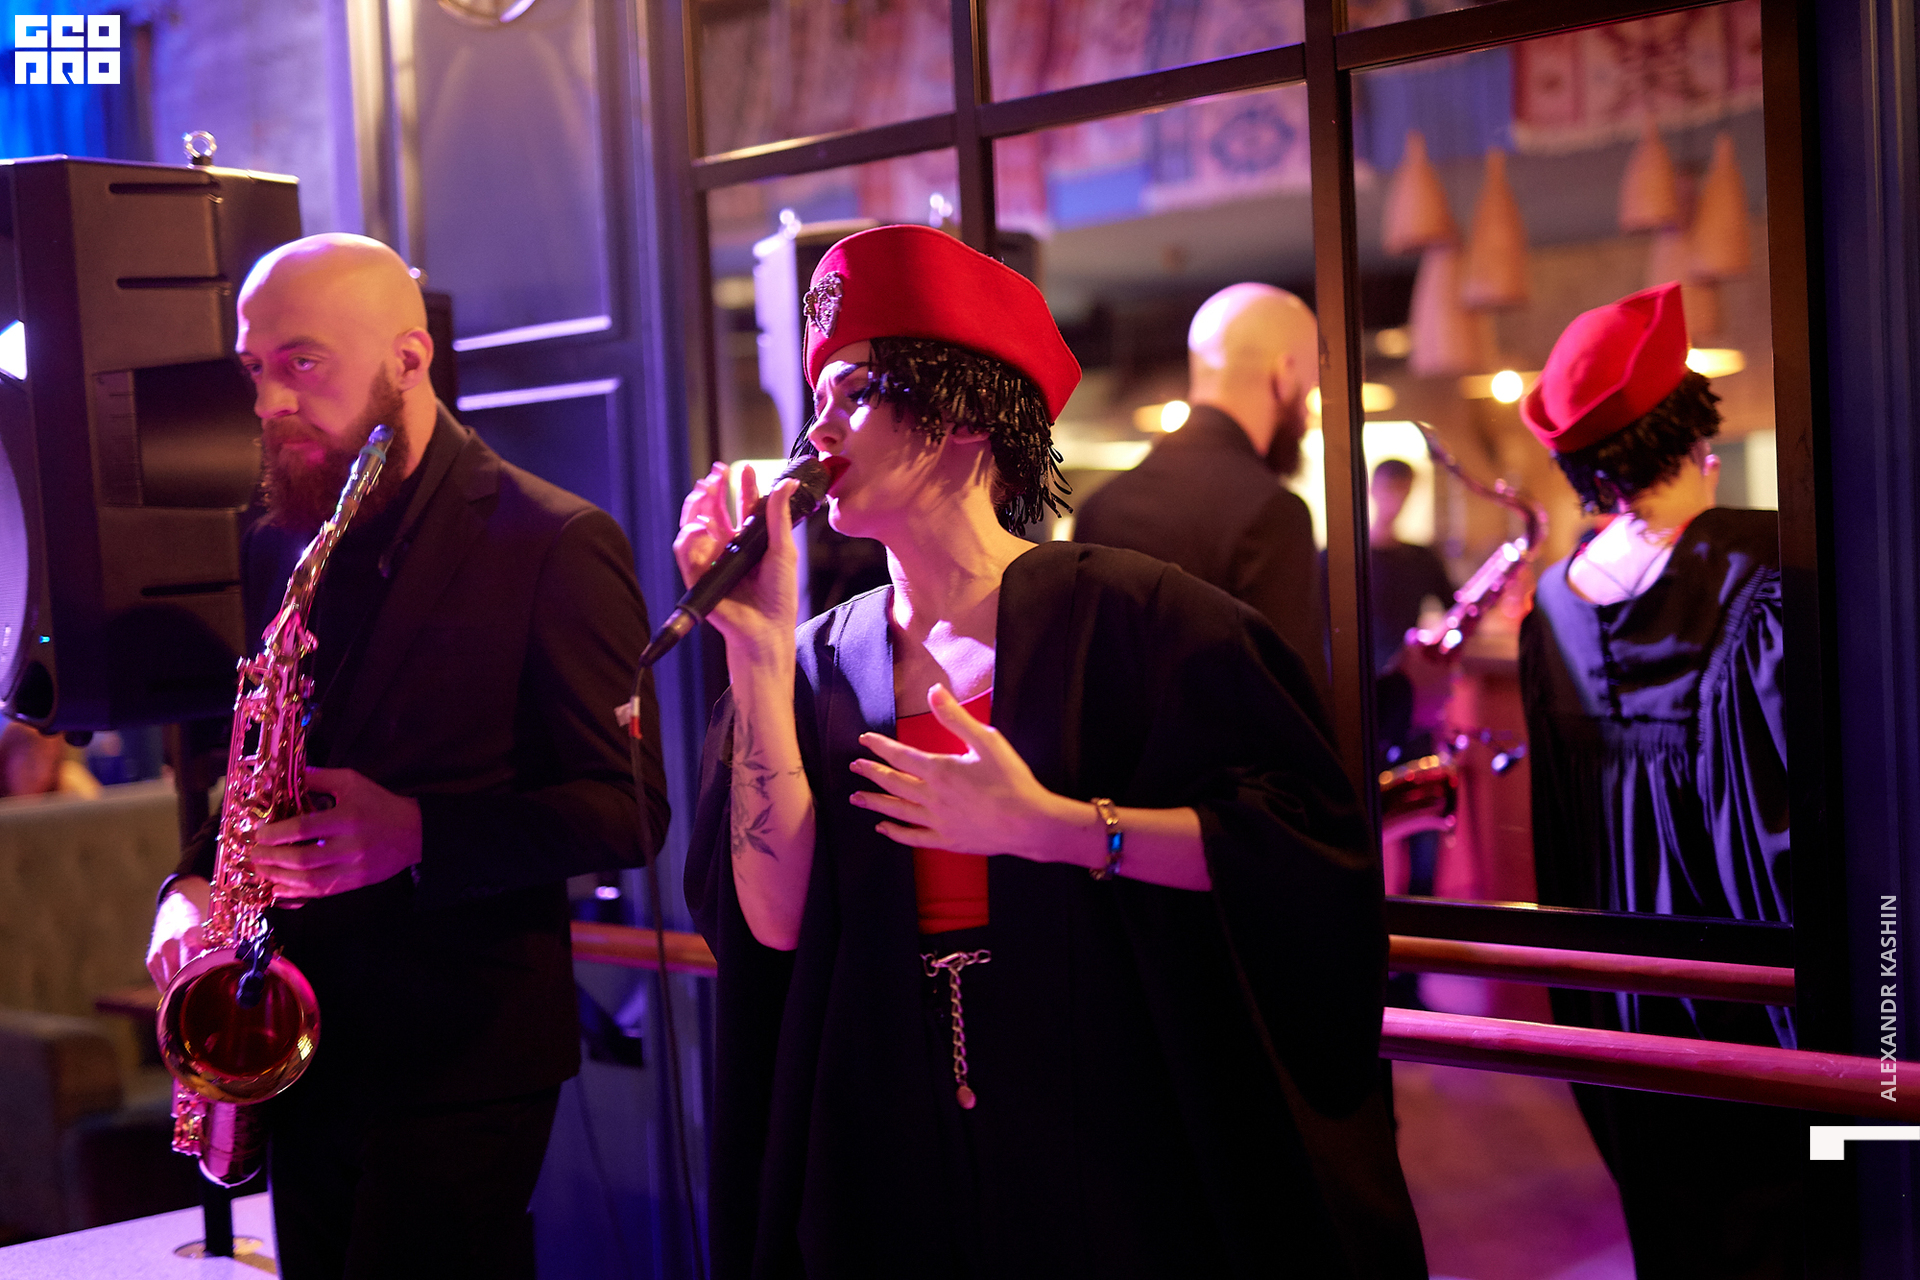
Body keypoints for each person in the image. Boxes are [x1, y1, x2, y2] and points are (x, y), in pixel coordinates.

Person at [680, 225, 1424, 1279]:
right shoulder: (812, 661)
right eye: (817, 399)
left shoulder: (1142, 618)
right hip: (884, 1122)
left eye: (855, 393)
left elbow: (1295, 849)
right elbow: (771, 923)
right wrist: (755, 651)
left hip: (1098, 1121)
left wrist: (1057, 829)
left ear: (965, 414)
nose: (819, 429)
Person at [143, 234, 669, 1279]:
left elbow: (628, 810)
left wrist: (418, 833)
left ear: (409, 358)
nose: (270, 403)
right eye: (256, 369)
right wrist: (190, 886)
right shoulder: (282, 539)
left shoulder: (555, 541)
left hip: (461, 1058)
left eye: (303, 363)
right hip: (298, 1046)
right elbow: (260, 764)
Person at [1517, 281, 1798, 1278]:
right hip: (1748, 966)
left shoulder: (1553, 603)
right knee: (1804, 1197)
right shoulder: (1768, 568)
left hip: (1617, 971)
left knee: (1670, 1211)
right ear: (1695, 429)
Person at [1072, 282, 1325, 683]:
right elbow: (1294, 706)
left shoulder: (1100, 506)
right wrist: (1404, 689)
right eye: (1310, 392)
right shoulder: (1272, 513)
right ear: (1285, 374)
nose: (1308, 416)